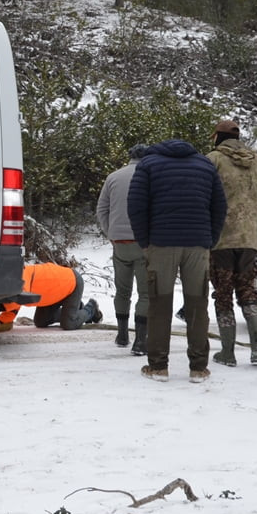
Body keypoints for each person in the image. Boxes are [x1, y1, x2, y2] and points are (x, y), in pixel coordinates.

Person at [127, 139, 226, 384]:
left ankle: (158, 366)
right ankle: (198, 368)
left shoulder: (148, 164)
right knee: (197, 304)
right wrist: (210, 238)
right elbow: (220, 207)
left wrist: (144, 240)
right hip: (198, 245)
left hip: (161, 243)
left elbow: (136, 206)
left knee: (159, 305)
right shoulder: (205, 165)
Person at [206, 120, 257, 366]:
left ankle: (228, 352)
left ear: (218, 137)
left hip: (221, 239)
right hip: (250, 239)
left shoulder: (213, 159)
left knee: (223, 294)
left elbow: (204, 196)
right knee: (247, 289)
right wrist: (252, 216)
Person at [96, 143, 150, 355]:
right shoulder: (149, 177)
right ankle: (140, 341)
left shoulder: (113, 177)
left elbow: (102, 209)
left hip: (119, 243)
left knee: (123, 290)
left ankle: (121, 334)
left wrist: (111, 232)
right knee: (145, 293)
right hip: (144, 242)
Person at [0, 262, 102, 332]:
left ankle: (91, 308)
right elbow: (14, 302)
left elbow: (16, 299)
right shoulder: (10, 279)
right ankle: (74, 308)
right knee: (40, 322)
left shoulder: (19, 276)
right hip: (54, 293)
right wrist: (1, 321)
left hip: (72, 283)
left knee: (68, 323)